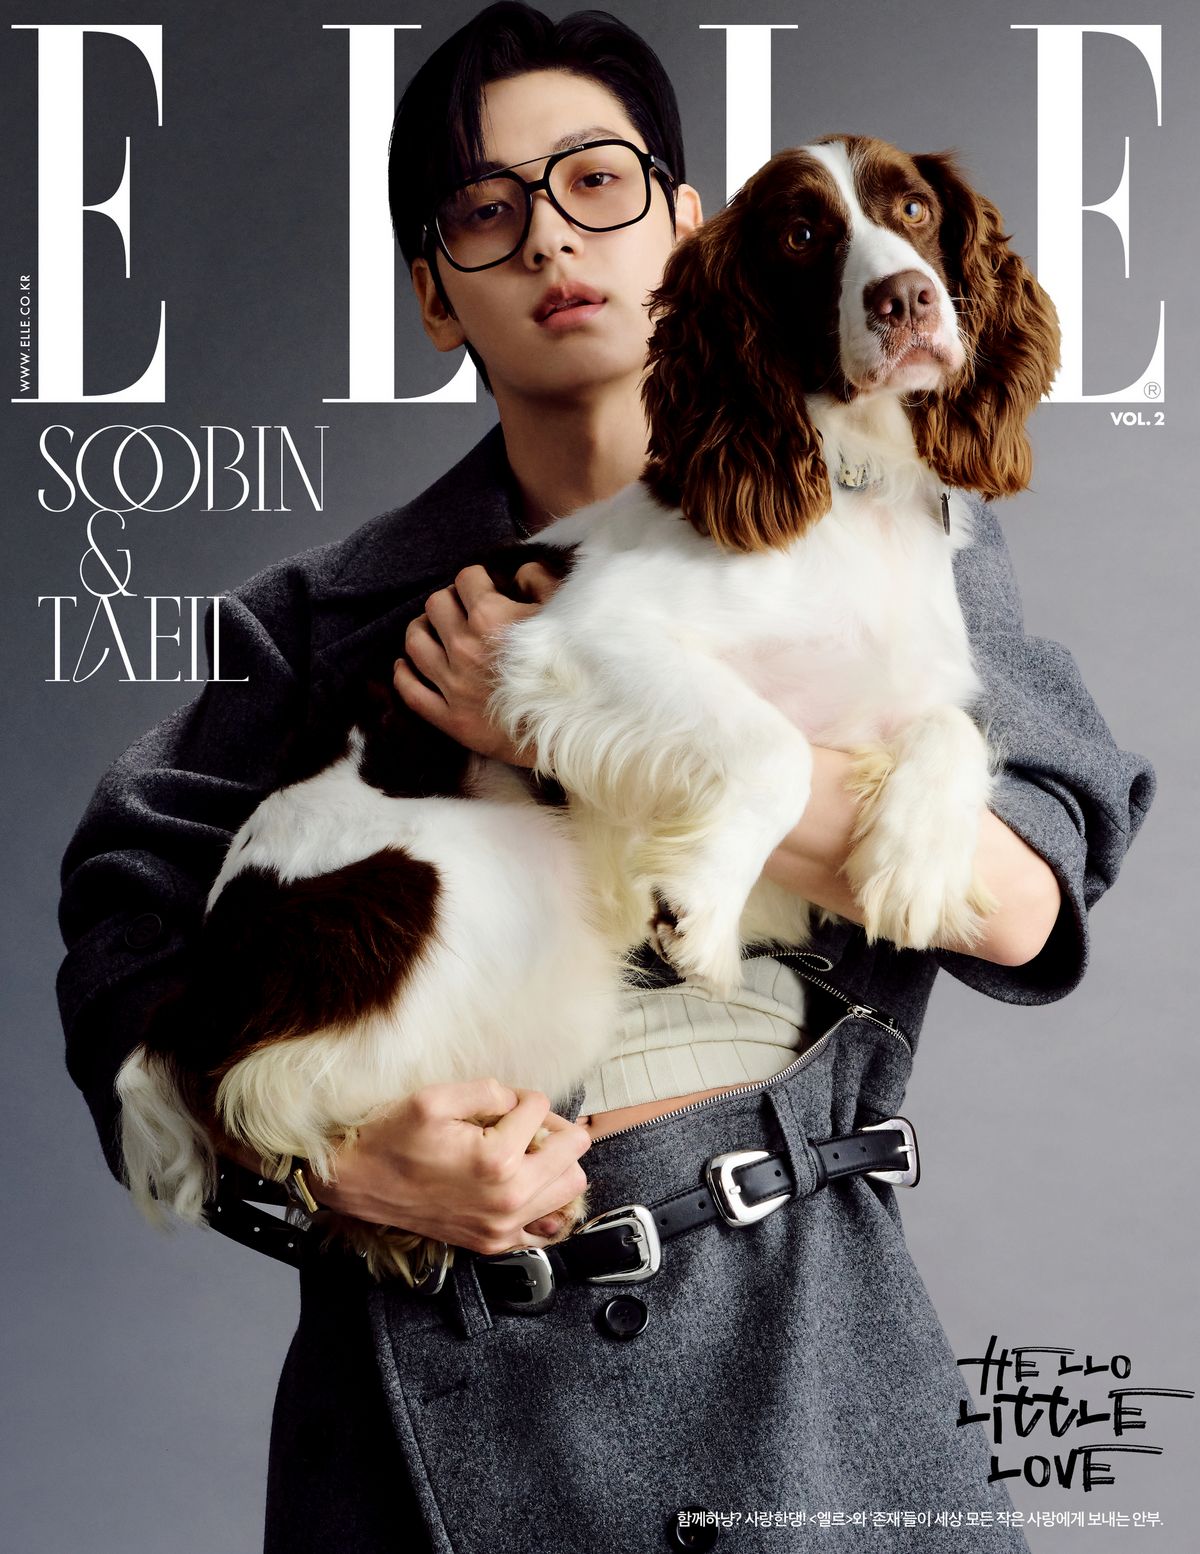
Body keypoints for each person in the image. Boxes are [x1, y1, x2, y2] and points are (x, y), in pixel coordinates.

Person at [57, 5, 1155, 1551]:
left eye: (596, 181)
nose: (550, 240)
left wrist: (563, 724)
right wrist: (332, 1172)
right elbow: (124, 949)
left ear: (688, 229)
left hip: (806, 1377)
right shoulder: (320, 620)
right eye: (484, 211)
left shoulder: (898, 520)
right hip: (425, 1413)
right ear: (434, 294)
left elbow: (1018, 900)